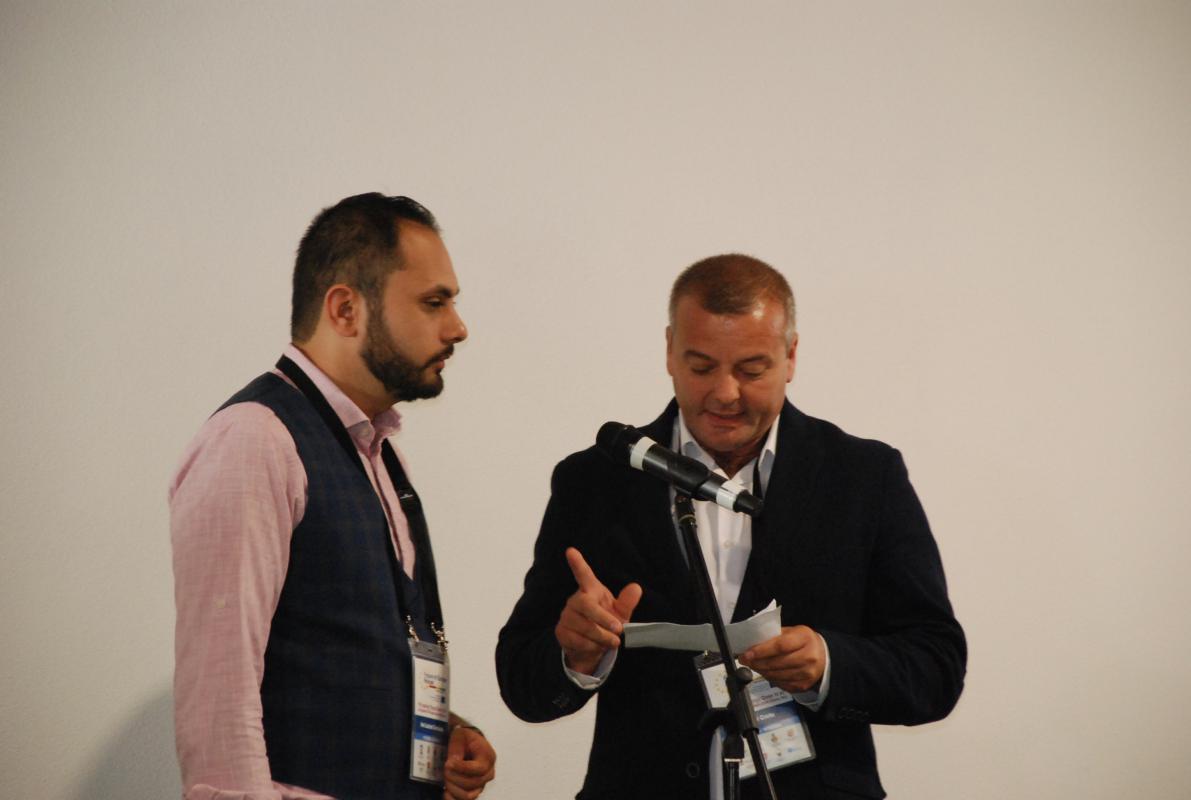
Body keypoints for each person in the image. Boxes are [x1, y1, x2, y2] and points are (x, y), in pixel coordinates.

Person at [496, 254, 965, 800]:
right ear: (669, 351)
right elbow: (522, 681)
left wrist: (828, 664)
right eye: (701, 367)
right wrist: (574, 655)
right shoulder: (596, 479)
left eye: (751, 370)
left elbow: (936, 667)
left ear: (791, 356)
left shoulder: (864, 476)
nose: (724, 393)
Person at [171, 193, 496, 800]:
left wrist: (442, 732)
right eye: (434, 302)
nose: (458, 327)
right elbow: (220, 698)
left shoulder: (380, 453)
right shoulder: (255, 440)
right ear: (346, 309)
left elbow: (347, 653)